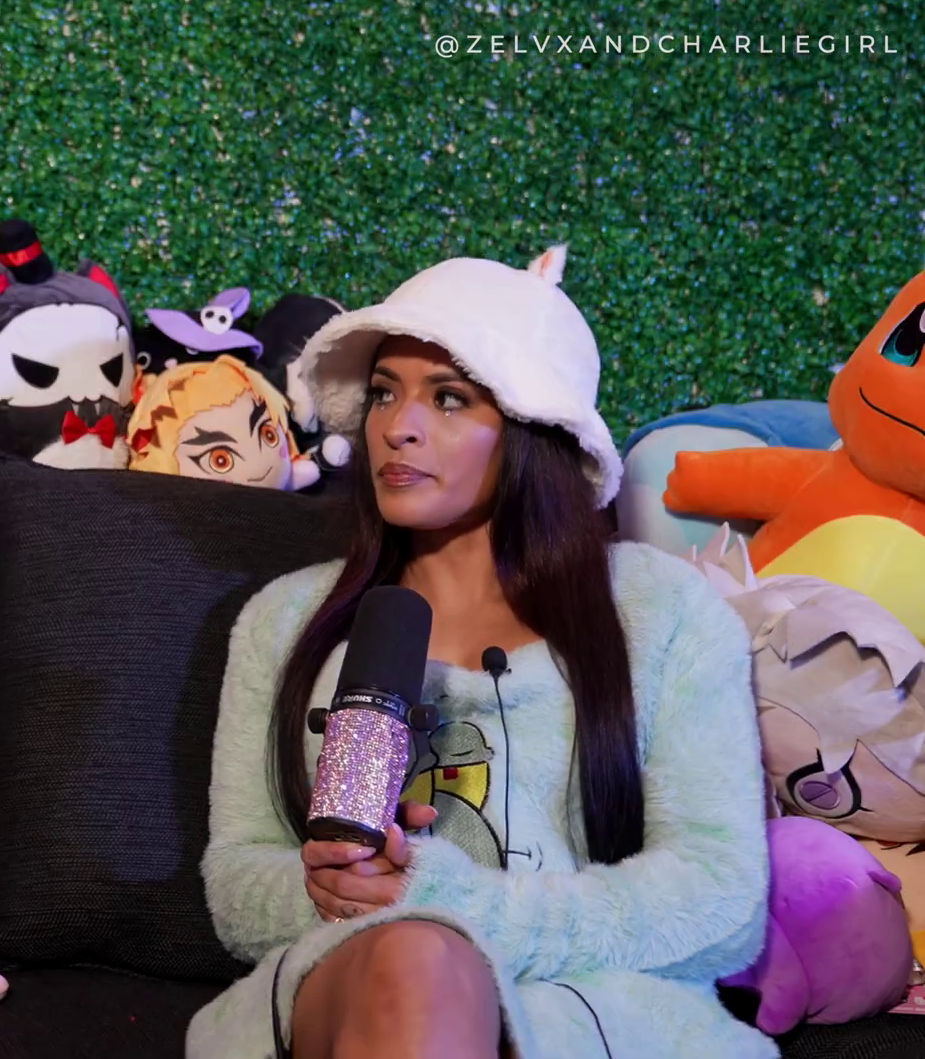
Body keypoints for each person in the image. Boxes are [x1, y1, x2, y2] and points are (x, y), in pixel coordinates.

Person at [188, 247, 775, 1058]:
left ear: (535, 431)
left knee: (424, 956)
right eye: (384, 392)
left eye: (448, 397)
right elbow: (235, 886)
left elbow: (720, 898)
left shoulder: (662, 612)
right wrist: (333, 887)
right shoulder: (282, 622)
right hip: (348, 985)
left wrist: (456, 907)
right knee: (412, 962)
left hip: (593, 1011)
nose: (397, 426)